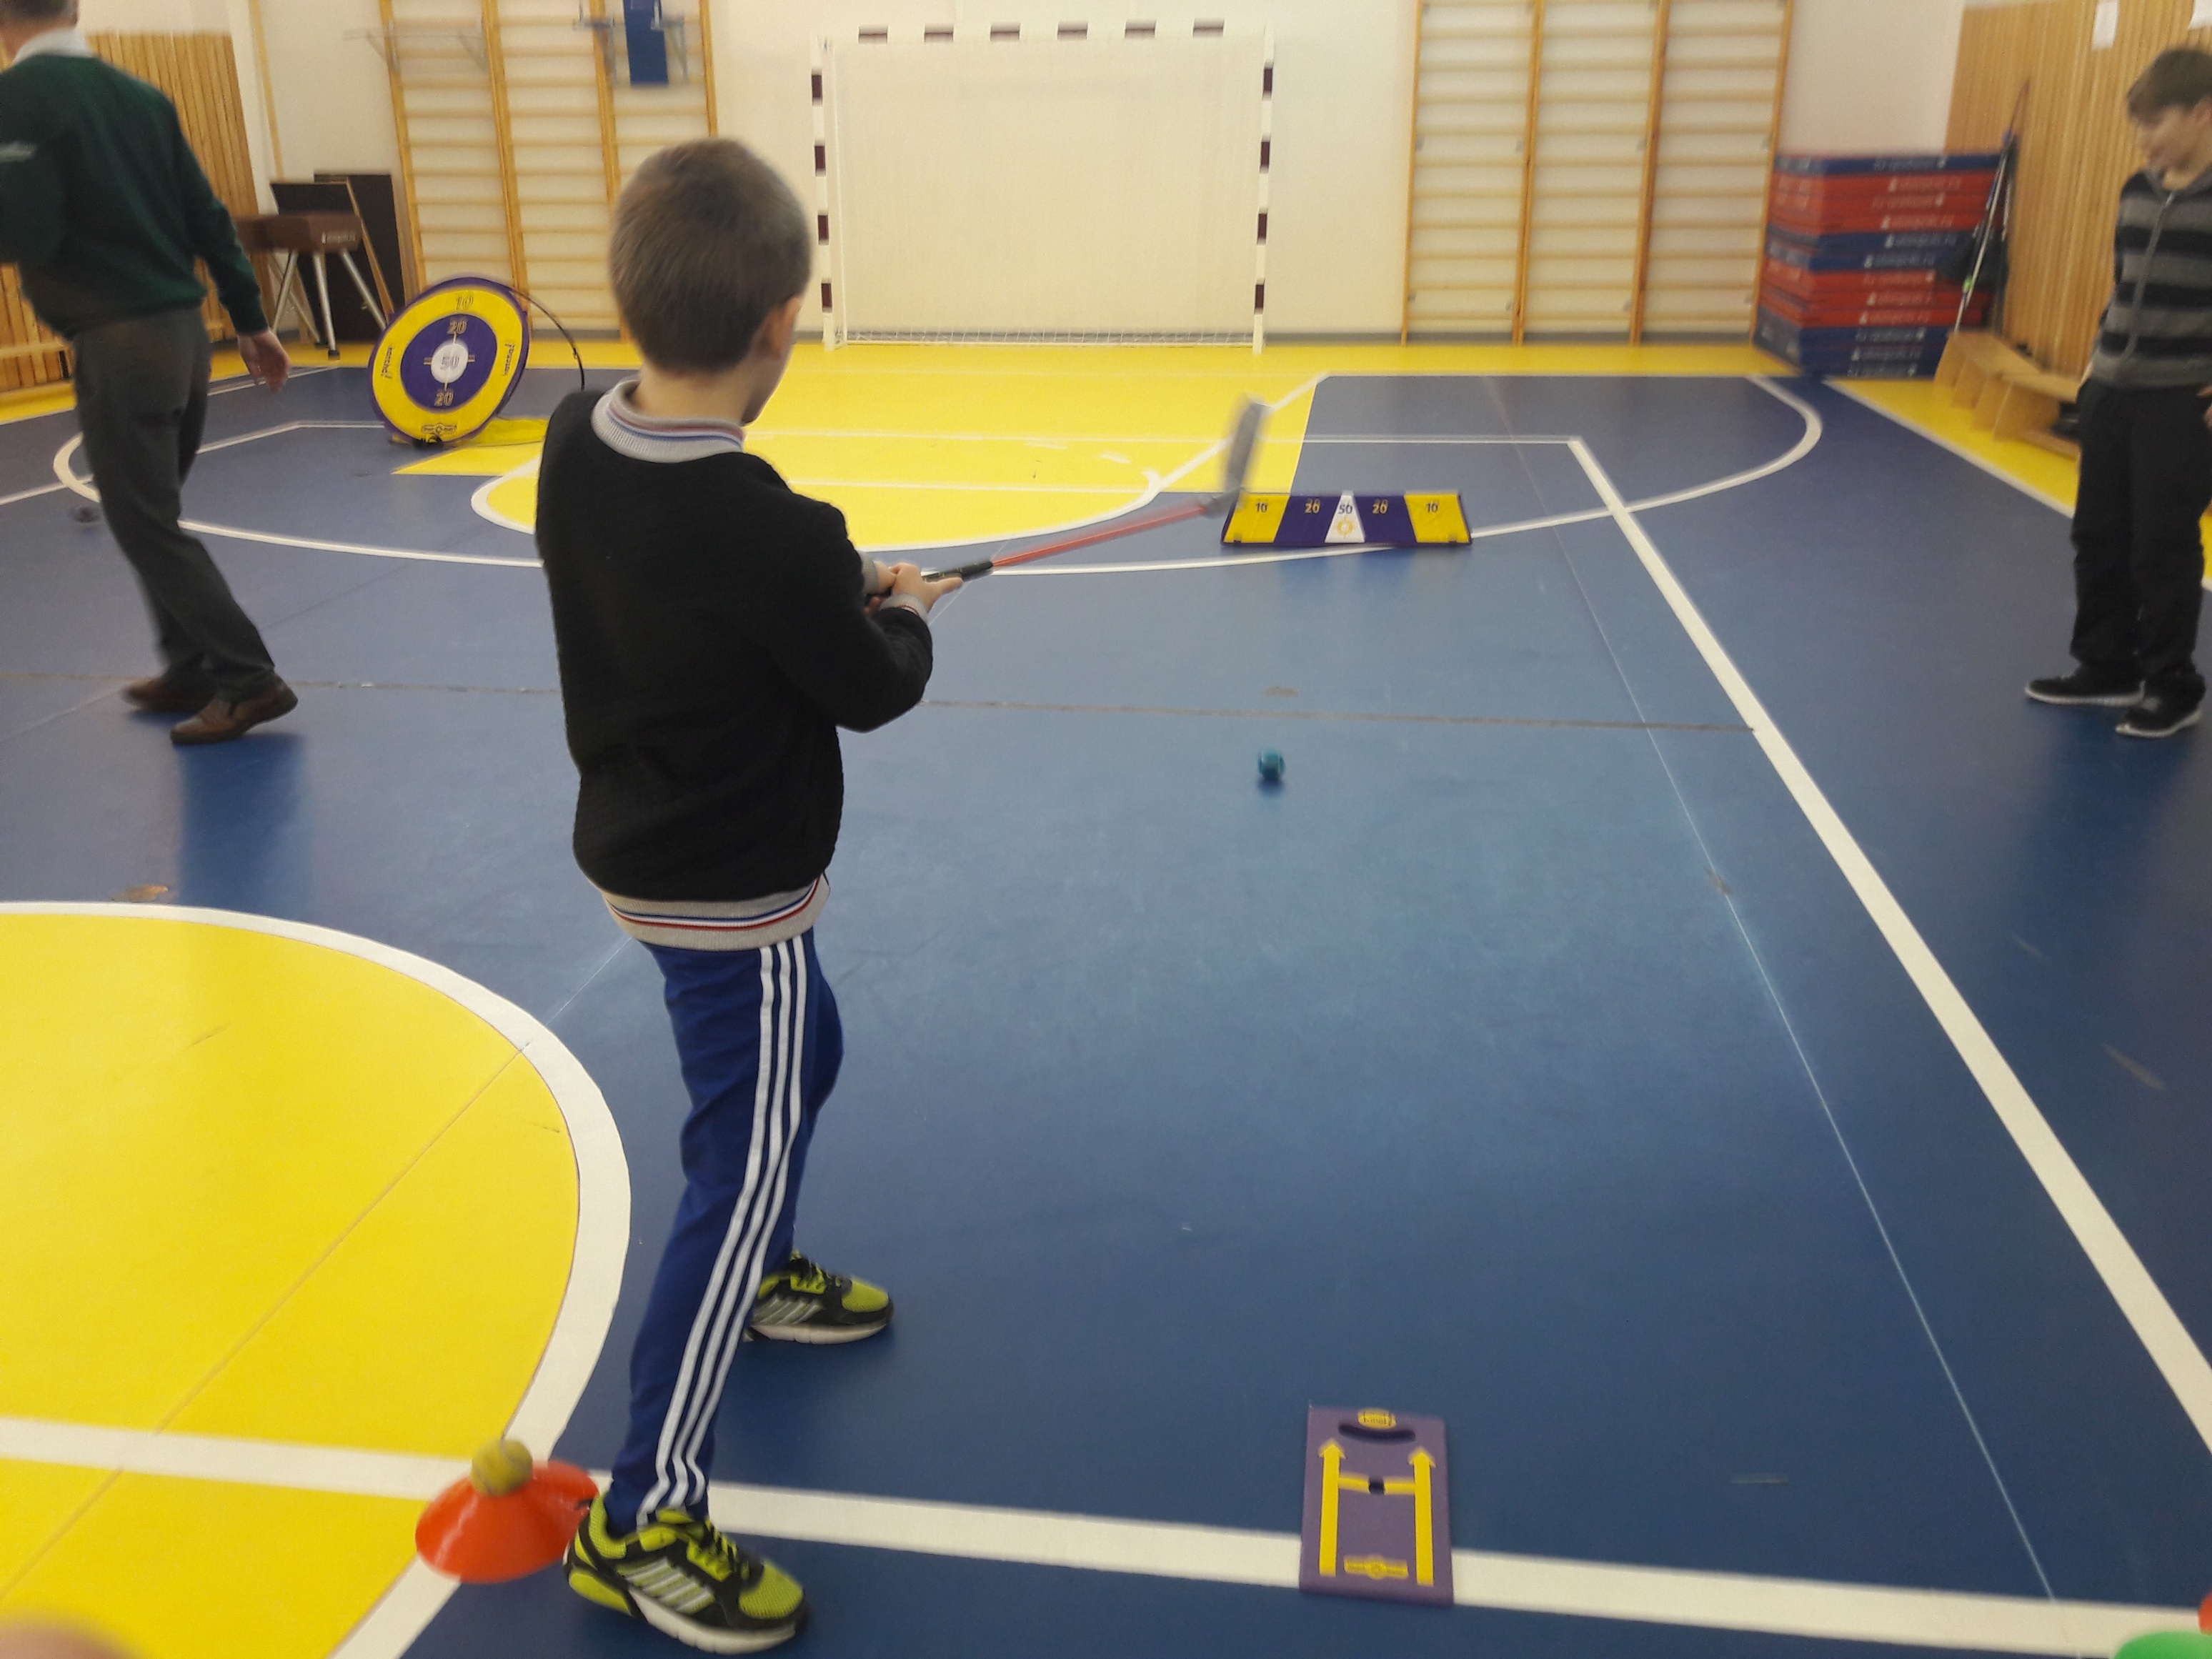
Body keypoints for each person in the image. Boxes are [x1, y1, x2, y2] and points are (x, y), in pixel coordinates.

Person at [535, 136, 959, 1650]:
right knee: (742, 1150)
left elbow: (716, 594)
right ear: (782, 323)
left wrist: (839, 581)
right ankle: (643, 1517)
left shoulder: (576, 437)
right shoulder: (775, 531)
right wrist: (905, 614)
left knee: (800, 1054)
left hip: (641, 852)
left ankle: (764, 1267)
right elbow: (871, 689)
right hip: (735, 890)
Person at [0, 0, 295, 744]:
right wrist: (252, 320)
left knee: (146, 524)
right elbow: (208, 216)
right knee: (153, 514)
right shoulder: (143, 98)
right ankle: (189, 666)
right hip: (185, 341)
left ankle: (249, 680)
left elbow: (25, 230)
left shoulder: (19, 100)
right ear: (74, 9)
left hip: (120, 343)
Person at [2028, 46, 2212, 739]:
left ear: (2202, 113)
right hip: (2110, 389)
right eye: (2138, 125)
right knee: (2099, 535)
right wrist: (2094, 364)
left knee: (2161, 546)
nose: (2143, 139)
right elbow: (2124, 285)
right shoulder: (2137, 190)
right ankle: (2107, 665)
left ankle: (2172, 685)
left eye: (2155, 123)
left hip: (2178, 400)